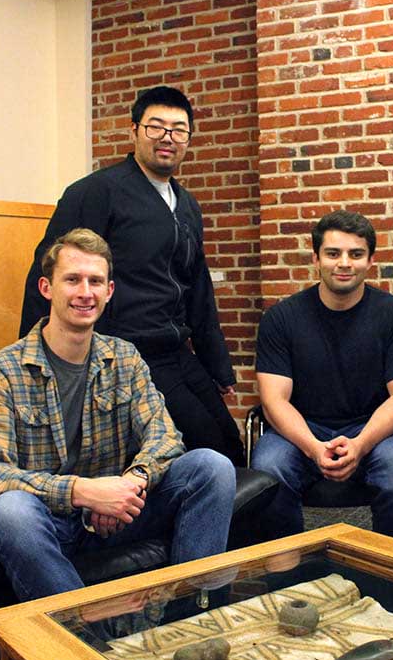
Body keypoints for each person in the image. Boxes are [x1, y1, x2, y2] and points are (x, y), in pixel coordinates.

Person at [0, 229, 235, 601]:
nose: (85, 292)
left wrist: (130, 484)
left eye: (96, 281)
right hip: (44, 521)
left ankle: (191, 618)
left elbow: (165, 437)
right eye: (72, 280)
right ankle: (83, 643)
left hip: (112, 515)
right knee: (11, 511)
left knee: (211, 466)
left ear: (109, 291)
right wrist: (83, 492)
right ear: (47, 288)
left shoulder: (124, 357)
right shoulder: (1, 371)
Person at [20, 85, 244, 466]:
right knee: (208, 450)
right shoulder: (96, 192)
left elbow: (198, 291)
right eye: (156, 127)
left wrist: (217, 364)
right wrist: (33, 361)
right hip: (128, 354)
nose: (167, 138)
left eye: (178, 129)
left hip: (177, 350)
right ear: (135, 130)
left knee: (231, 444)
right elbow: (48, 272)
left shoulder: (186, 204)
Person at [251, 211, 393, 543]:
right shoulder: (281, 319)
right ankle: (288, 578)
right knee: (269, 468)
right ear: (316, 258)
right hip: (302, 429)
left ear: (370, 260)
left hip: (376, 429)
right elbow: (274, 401)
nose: (344, 263)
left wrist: (360, 444)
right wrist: (314, 448)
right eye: (333, 253)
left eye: (355, 254)